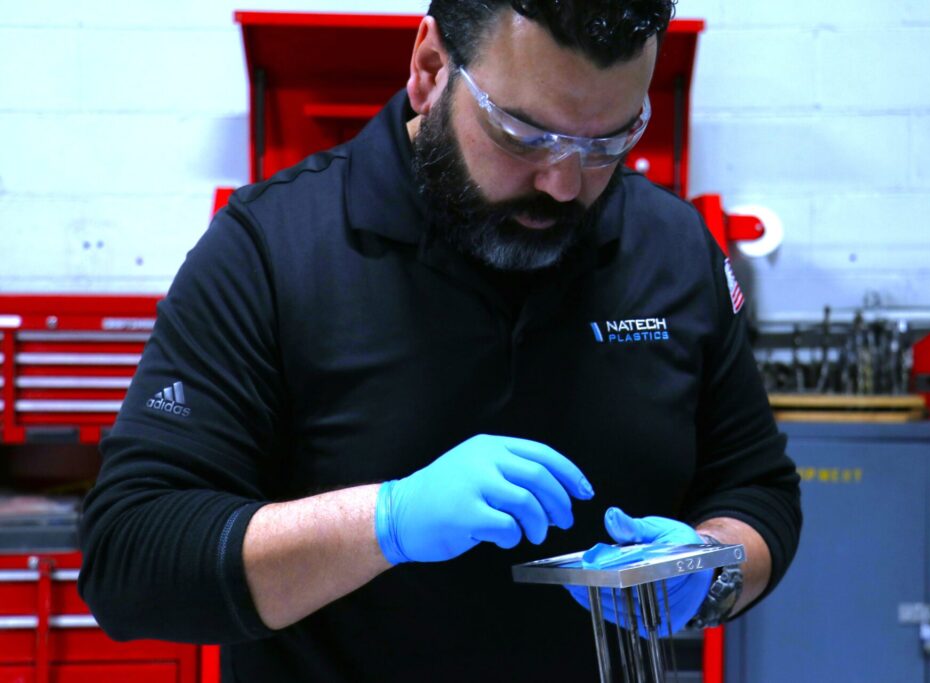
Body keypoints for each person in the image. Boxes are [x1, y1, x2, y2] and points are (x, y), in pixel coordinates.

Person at [79, 1, 801, 681]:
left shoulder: (674, 251)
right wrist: (386, 521)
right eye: (525, 134)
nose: (561, 183)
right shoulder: (273, 251)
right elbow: (131, 558)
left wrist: (716, 566)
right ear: (429, 70)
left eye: (607, 142)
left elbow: (757, 487)